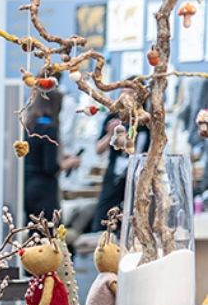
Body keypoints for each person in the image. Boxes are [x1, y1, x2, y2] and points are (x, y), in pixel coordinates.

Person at [89, 109, 151, 233]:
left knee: (136, 215)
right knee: (103, 214)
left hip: (139, 176)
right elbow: (98, 149)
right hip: (114, 176)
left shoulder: (146, 120)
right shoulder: (113, 118)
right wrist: (110, 134)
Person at [23, 90, 80, 222]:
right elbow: (50, 167)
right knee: (48, 233)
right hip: (44, 191)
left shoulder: (29, 126)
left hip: (28, 187)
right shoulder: (49, 129)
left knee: (34, 232)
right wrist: (70, 162)